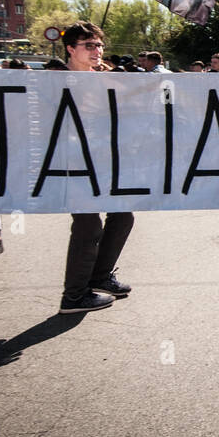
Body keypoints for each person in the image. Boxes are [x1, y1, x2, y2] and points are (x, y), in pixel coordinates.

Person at [56, 22, 134, 314]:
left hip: (103, 161)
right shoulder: (53, 79)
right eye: (89, 45)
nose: (97, 51)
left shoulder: (104, 80)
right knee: (88, 225)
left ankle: (99, 278)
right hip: (72, 165)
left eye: (100, 45)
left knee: (123, 216)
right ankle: (74, 296)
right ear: (70, 49)